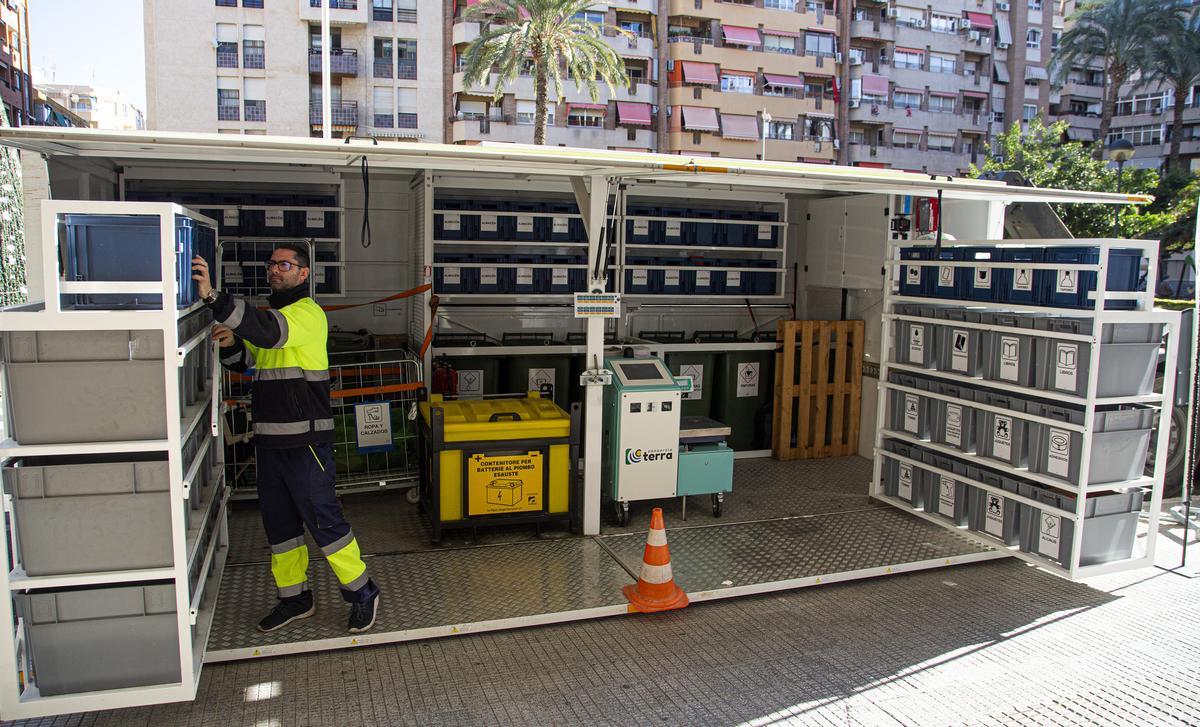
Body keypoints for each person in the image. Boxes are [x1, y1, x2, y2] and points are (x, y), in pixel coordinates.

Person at [192, 244, 380, 634]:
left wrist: (213, 297)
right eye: (272, 264)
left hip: (305, 444)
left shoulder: (307, 315)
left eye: (284, 264)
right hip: (271, 444)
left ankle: (362, 591)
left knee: (324, 522)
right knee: (280, 530)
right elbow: (253, 359)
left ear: (304, 274)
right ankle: (295, 599)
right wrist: (232, 346)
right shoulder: (276, 318)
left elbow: (267, 331)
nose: (275, 270)